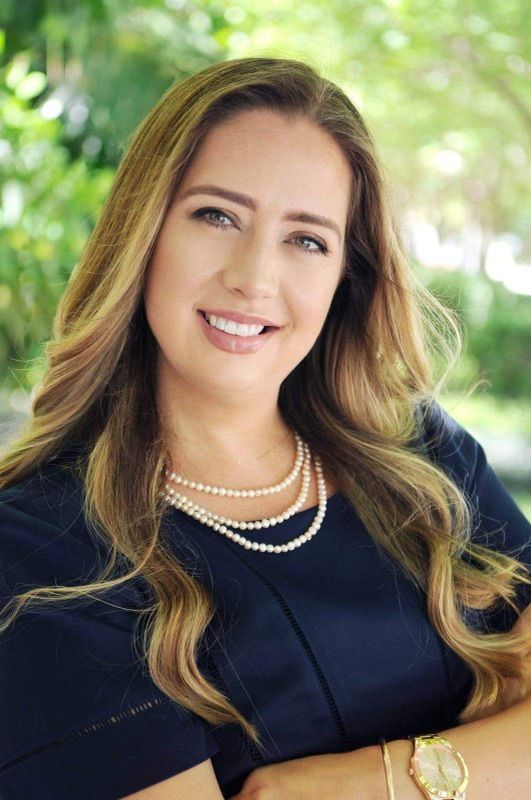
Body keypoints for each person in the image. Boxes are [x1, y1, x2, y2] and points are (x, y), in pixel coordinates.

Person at [1, 56, 530, 800]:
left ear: (345, 274)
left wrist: (355, 784)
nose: (253, 278)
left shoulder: (421, 455)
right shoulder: (40, 552)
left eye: (306, 239)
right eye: (217, 216)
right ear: (144, 231)